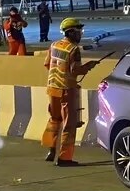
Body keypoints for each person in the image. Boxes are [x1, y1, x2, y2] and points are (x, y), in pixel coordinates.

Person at [41, 17, 96, 166]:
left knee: (54, 119)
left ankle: (51, 150)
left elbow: (47, 64)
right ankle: (65, 158)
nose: (81, 34)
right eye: (79, 31)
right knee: (69, 124)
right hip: (66, 89)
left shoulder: (53, 45)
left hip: (52, 88)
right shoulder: (73, 49)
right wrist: (88, 66)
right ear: (71, 32)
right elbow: (75, 70)